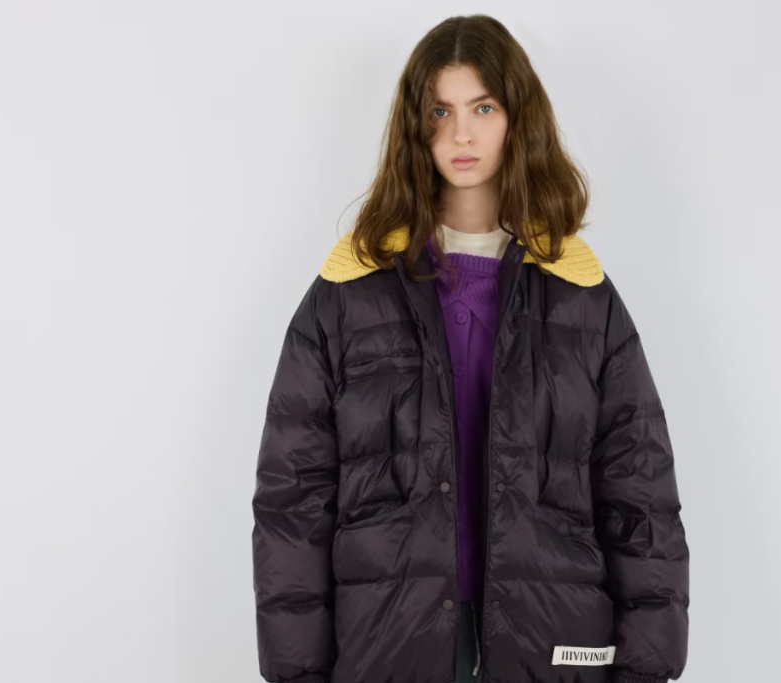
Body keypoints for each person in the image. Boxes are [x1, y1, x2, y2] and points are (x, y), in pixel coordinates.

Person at [251, 14, 689, 683]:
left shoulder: (581, 295)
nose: (461, 133)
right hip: (390, 643)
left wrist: (646, 666)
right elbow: (293, 502)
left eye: (483, 107)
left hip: (552, 640)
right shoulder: (347, 294)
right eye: (440, 111)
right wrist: (297, 672)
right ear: (415, 126)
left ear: (517, 119)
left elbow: (641, 496)